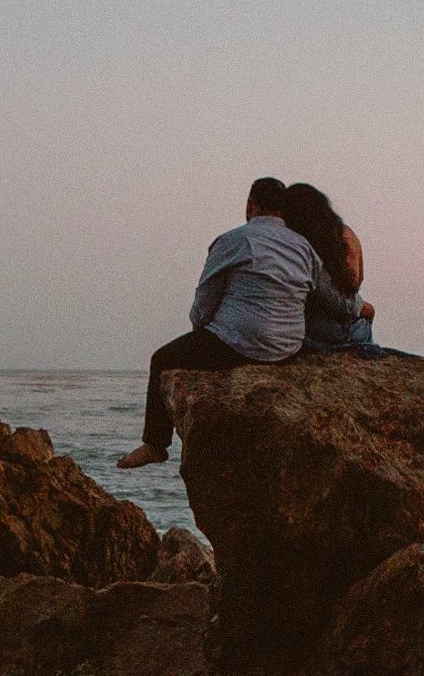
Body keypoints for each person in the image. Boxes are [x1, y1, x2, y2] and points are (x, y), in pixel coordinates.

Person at [117, 177, 353, 469]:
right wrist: (361, 308)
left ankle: (155, 445)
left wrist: (200, 331)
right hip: (287, 348)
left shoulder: (233, 240)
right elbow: (331, 298)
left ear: (250, 206)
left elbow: (206, 296)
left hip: (237, 345)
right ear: (282, 210)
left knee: (162, 359)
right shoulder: (304, 247)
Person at [278, 182, 378, 349]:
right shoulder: (345, 235)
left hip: (316, 330)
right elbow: (356, 283)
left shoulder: (300, 244)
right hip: (351, 328)